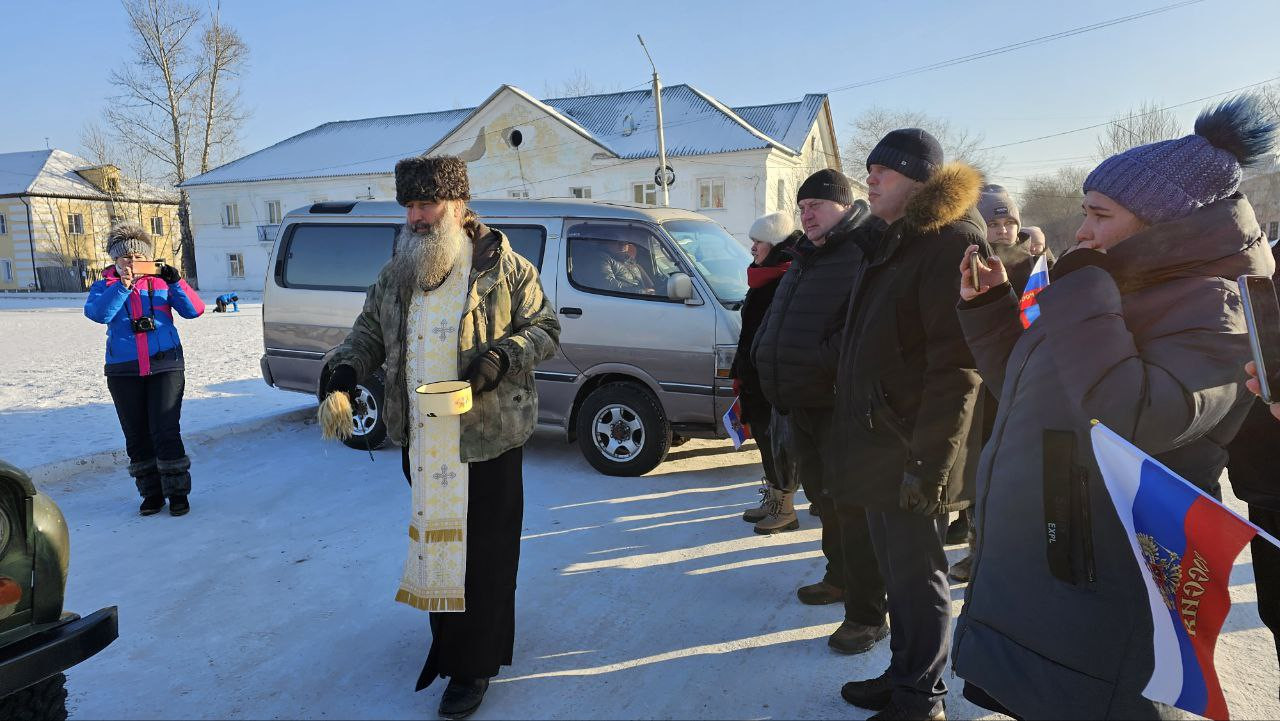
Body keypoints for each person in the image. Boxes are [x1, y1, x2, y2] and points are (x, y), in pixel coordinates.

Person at [951, 95, 1276, 720]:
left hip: (1110, 565)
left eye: (1099, 215)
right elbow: (1036, 391)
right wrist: (990, 312)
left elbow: (1134, 419)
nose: (1082, 231)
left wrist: (1083, 289)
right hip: (1051, 548)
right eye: (1084, 213)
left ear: (1165, 224)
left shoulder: (1218, 307)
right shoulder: (1118, 286)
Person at [320, 155, 560, 719]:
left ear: (457, 204)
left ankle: (474, 665)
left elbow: (546, 329)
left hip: (488, 438)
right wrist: (345, 369)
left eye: (426, 204)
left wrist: (501, 358)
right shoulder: (398, 271)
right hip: (423, 442)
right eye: (409, 206)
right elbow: (367, 333)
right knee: (438, 545)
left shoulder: (505, 268)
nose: (416, 217)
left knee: (487, 555)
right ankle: (450, 644)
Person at [832, 129, 987, 721]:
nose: (870, 179)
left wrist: (929, 466)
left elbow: (957, 367)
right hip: (879, 441)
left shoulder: (950, 244)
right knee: (896, 573)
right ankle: (903, 674)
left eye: (885, 171)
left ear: (920, 182)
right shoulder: (893, 240)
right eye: (869, 169)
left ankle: (922, 697)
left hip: (914, 448)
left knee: (919, 576)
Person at [749, 168, 888, 655]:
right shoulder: (807, 255)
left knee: (853, 507)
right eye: (803, 207)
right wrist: (765, 354)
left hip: (840, 404)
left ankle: (868, 614)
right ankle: (839, 576)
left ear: (844, 205)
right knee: (824, 500)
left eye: (817, 205)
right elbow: (780, 318)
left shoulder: (861, 252)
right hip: (802, 401)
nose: (807, 215)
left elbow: (862, 328)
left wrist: (816, 363)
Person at [84, 223, 205, 517]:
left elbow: (195, 310)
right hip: (123, 370)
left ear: (148, 258)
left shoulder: (162, 283)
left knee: (165, 430)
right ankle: (151, 494)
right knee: (136, 435)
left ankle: (177, 493)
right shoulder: (104, 286)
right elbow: (98, 314)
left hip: (165, 365)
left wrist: (176, 282)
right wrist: (123, 287)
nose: (132, 262)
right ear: (115, 259)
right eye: (125, 257)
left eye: (138, 257)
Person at [732, 211, 802, 532]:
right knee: (764, 438)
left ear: (774, 245)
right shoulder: (765, 276)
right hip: (756, 376)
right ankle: (774, 498)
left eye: (758, 241)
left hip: (773, 379)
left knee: (779, 445)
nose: (752, 248)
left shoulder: (786, 278)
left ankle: (784, 509)